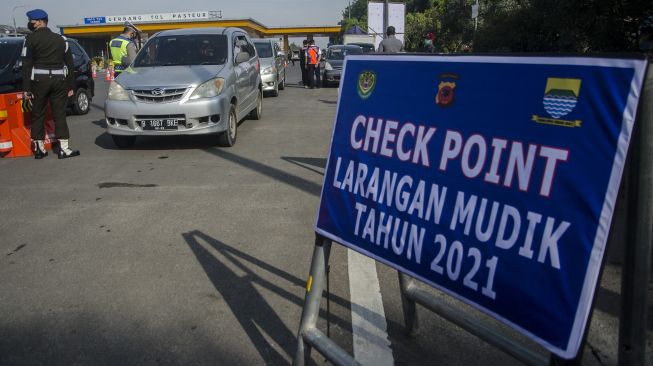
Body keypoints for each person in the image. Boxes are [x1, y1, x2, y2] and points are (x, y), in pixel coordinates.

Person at [21, 8, 79, 159]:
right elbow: (70, 65)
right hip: (59, 81)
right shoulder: (61, 39)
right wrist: (71, 86)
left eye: (32, 22)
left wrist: (26, 89)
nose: (30, 24)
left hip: (39, 82)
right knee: (59, 114)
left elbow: (26, 65)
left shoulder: (30, 40)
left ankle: (39, 149)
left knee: (38, 114)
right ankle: (64, 149)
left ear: (40, 21)